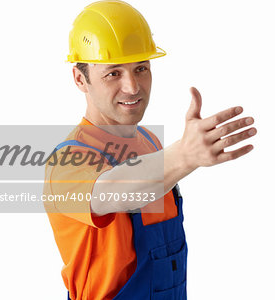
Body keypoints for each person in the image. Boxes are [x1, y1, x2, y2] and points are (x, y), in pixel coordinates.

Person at [43, 1, 257, 299]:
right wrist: (185, 155)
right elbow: (111, 192)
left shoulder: (150, 142)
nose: (133, 87)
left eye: (141, 68)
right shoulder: (65, 162)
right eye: (113, 74)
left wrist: (185, 156)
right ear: (81, 79)